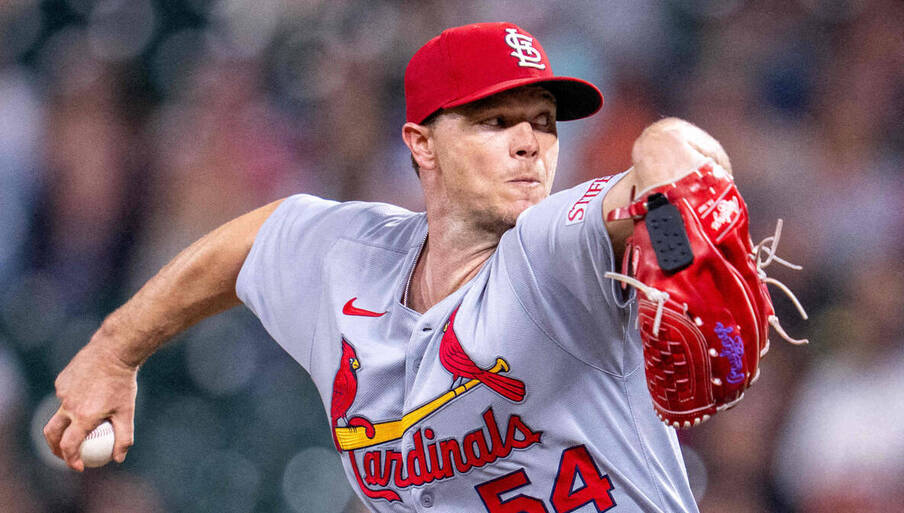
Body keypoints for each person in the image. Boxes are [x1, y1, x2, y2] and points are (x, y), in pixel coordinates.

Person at [45, 22, 731, 512]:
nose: (531, 143)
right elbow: (252, 242)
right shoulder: (354, 259)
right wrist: (115, 350)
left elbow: (671, 153)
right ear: (421, 144)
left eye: (545, 122)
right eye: (497, 122)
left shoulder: (557, 248)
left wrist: (677, 245)